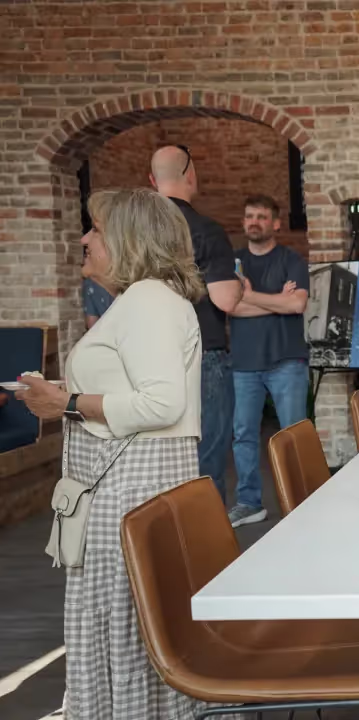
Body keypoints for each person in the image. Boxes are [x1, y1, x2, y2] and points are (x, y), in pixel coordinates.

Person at [16, 188, 206, 720]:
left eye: (95, 229)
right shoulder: (145, 300)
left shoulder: (146, 300)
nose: (84, 239)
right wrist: (58, 396)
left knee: (124, 615)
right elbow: (139, 387)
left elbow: (161, 403)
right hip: (129, 482)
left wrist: (69, 402)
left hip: (130, 488)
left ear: (129, 239)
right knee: (129, 614)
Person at [149, 145, 242, 502]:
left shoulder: (137, 234)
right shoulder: (204, 230)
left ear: (152, 180)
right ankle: (207, 552)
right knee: (205, 464)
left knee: (161, 465)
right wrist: (241, 284)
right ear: (191, 174)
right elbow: (226, 299)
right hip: (202, 357)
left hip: (148, 360)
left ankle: (161, 553)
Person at [226, 195, 310, 528]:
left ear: (275, 223)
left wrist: (247, 295)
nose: (254, 221)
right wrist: (277, 300)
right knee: (243, 435)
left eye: (262, 216)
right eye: (249, 216)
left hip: (286, 360)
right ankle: (249, 503)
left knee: (292, 435)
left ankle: (300, 500)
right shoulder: (233, 263)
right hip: (245, 363)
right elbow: (229, 307)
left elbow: (297, 306)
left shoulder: (291, 260)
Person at [81, 259, 114, 329]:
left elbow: (92, 326)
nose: (85, 260)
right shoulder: (89, 285)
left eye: (89, 254)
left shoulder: (89, 284)